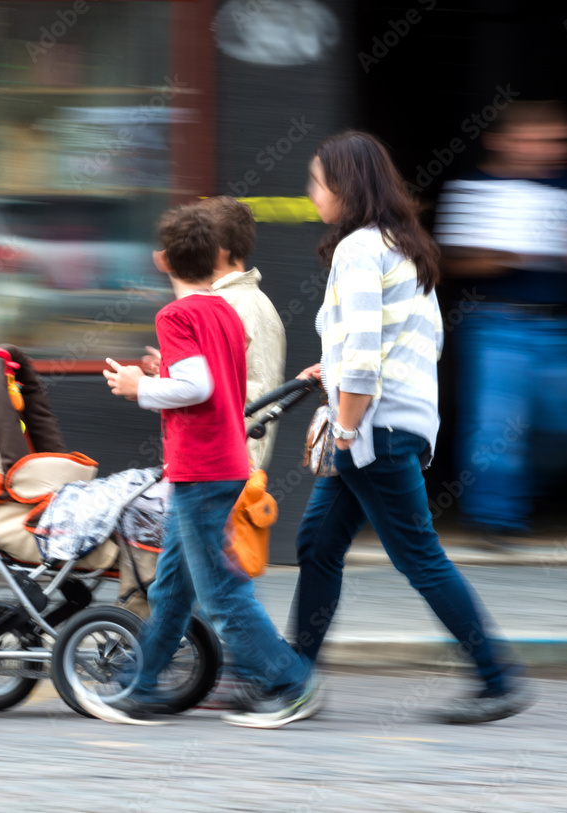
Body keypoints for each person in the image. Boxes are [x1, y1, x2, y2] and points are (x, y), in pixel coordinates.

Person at [291, 130, 532, 724]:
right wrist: (336, 367)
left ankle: (497, 679)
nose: (312, 193)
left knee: (419, 557)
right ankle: (293, 676)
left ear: (344, 187)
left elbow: (369, 354)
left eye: (317, 182)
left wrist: (344, 430)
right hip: (392, 418)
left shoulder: (358, 250)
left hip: (375, 427)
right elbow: (399, 342)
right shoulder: (403, 245)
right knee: (316, 546)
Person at [84, 203, 321, 729]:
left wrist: (138, 386)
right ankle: (142, 688)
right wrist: (162, 372)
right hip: (220, 463)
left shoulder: (176, 315)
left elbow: (199, 386)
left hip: (202, 469)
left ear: (162, 259)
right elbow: (217, 384)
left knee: (222, 596)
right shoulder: (223, 312)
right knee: (170, 587)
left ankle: (292, 682)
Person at [434, 101, 567, 540]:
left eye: (561, 141)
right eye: (538, 140)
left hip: (563, 327)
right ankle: (495, 517)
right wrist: (496, 259)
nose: (551, 150)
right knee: (495, 422)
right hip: (494, 323)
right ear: (500, 141)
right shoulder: (469, 186)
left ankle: (529, 494)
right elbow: (443, 263)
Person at [141, 196, 286, 470]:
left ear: (216, 251)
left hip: (222, 460)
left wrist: (143, 386)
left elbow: (206, 390)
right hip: (240, 457)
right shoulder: (257, 302)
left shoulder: (224, 306)